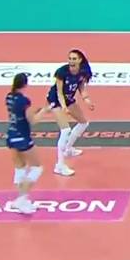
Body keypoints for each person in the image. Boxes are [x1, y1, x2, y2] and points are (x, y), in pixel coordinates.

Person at [31, 49, 94, 177]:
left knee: (83, 123)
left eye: (74, 59)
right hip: (56, 100)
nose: (71, 61)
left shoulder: (83, 72)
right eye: (70, 58)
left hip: (69, 99)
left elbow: (81, 88)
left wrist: (87, 100)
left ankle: (68, 149)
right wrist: (64, 107)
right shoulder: (62, 72)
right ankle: (59, 166)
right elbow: (59, 93)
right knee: (65, 130)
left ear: (80, 60)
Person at [5, 73, 41, 215]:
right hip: (23, 138)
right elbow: (33, 120)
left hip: (11, 135)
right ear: (25, 84)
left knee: (20, 168)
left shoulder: (9, 97)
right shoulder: (24, 101)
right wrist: (44, 111)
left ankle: (20, 200)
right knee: (36, 168)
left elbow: (19, 114)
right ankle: (22, 199)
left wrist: (34, 111)